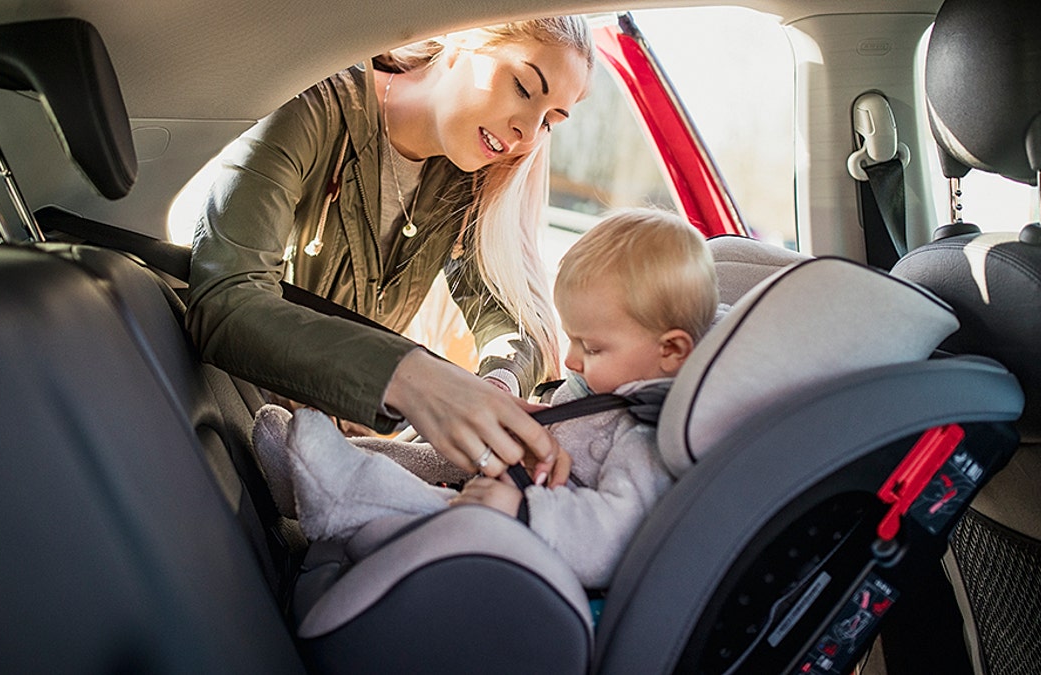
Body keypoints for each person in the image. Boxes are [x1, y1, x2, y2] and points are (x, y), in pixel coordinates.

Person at [186, 17, 596, 482]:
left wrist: (495, 386)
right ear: (462, 38)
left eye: (550, 121)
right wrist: (409, 377)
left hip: (333, 448)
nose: (528, 131)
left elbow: (507, 318)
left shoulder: (469, 176)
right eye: (523, 87)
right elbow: (225, 301)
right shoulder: (312, 108)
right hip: (238, 423)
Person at [254, 208, 720, 588]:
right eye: (572, 339)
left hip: (517, 539)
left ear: (671, 351)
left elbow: (612, 539)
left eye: (592, 348)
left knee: (427, 505)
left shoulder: (648, 438)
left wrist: (520, 511)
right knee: (435, 455)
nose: (572, 360)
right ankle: (309, 468)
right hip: (512, 478)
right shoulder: (613, 386)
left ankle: (333, 488)